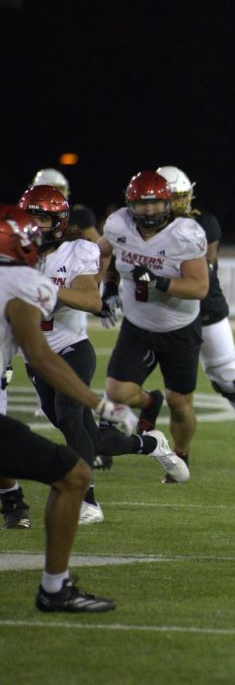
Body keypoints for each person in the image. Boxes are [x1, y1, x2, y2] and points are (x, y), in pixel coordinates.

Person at [16, 186, 189, 523]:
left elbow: (91, 301)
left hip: (70, 349)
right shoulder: (13, 253)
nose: (36, 227)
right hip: (35, 357)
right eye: (31, 219)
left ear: (60, 222)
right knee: (90, 438)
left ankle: (88, 502)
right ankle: (150, 445)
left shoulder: (75, 251)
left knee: (69, 417)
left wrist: (46, 288)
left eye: (43, 219)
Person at [0, 204, 139, 610]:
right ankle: (55, 588)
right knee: (74, 475)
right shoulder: (23, 283)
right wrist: (100, 404)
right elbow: (42, 358)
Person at [156, 165, 235, 474]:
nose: (178, 204)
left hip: (204, 309)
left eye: (181, 197)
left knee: (227, 378)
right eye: (171, 197)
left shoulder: (202, 224)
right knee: (140, 379)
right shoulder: (139, 227)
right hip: (164, 313)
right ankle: (110, 442)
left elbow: (203, 267)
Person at [97, 171, 209, 482]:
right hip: (138, 326)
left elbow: (199, 287)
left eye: (155, 204)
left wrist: (160, 281)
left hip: (179, 328)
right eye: (142, 205)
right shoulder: (118, 225)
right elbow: (104, 252)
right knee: (115, 390)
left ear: (168, 203)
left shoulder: (184, 234)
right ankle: (149, 402)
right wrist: (107, 287)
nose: (148, 211)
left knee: (181, 405)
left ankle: (180, 454)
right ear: (129, 204)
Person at [29, 168, 101, 243]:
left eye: (61, 190)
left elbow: (98, 250)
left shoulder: (78, 215)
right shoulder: (27, 218)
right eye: (53, 191)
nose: (58, 195)